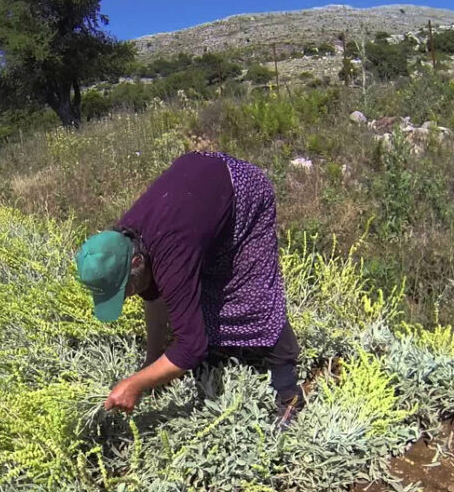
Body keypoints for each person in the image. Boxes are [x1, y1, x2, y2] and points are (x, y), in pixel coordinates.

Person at [75, 150, 304, 427]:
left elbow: (191, 348)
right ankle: (232, 349)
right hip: (199, 190)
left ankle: (289, 390)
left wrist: (136, 383)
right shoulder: (125, 242)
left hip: (244, 192)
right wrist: (152, 361)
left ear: (136, 261)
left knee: (249, 292)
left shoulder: (170, 251)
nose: (126, 297)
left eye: (124, 290)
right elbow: (154, 295)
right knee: (198, 288)